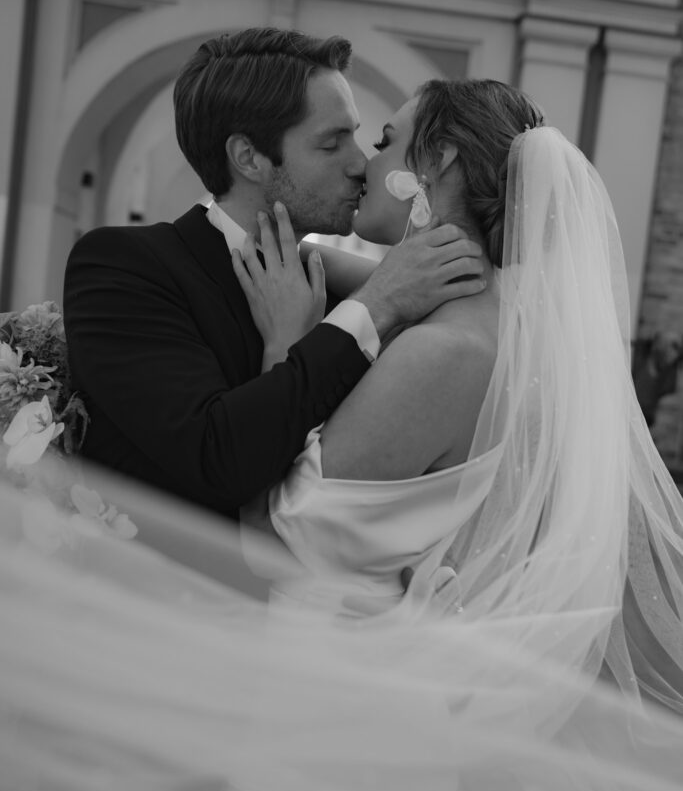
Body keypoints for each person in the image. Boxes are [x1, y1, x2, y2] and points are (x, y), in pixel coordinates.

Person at [4, 77, 683, 791]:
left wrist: (284, 347)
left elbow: (273, 535)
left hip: (325, 720)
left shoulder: (441, 353)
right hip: (364, 708)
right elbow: (313, 265)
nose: (365, 162)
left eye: (385, 141)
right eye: (344, 142)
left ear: (438, 163)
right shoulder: (499, 326)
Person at [62, 28, 485, 521]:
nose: (360, 164)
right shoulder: (124, 267)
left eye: (356, 136)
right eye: (332, 144)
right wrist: (374, 305)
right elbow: (215, 459)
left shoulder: (339, 289)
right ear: (249, 158)